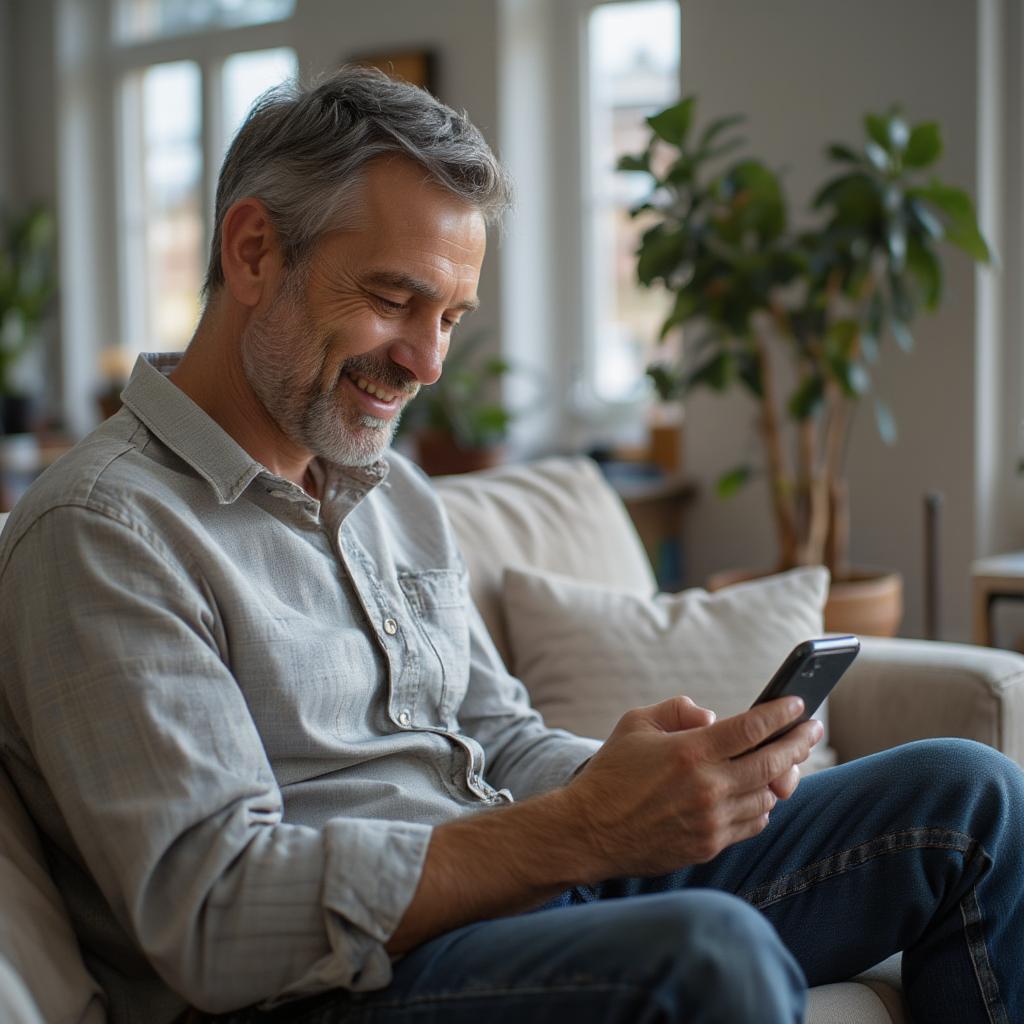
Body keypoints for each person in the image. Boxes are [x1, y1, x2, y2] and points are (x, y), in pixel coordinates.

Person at [0, 66, 1021, 1024]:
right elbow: (214, 915)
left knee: (971, 795)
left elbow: (497, 737)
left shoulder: (389, 485)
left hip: (517, 884)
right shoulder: (102, 530)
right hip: (332, 986)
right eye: (394, 299)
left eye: (450, 316)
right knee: (706, 954)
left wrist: (652, 782)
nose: (426, 360)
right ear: (254, 251)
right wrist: (582, 830)